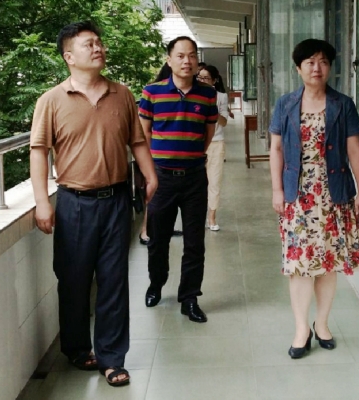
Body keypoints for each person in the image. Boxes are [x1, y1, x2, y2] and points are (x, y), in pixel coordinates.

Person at [30, 21, 157, 386]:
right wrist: (42, 203)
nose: (98, 48)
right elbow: (38, 152)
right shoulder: (51, 100)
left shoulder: (122, 94)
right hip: (74, 203)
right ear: (69, 56)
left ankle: (112, 358)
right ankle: (76, 348)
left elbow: (137, 141)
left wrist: (151, 176)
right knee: (73, 280)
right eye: (89, 44)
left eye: (99, 42)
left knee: (114, 281)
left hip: (116, 200)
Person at [268, 39, 359, 359]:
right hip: (298, 195)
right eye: (310, 62)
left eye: (324, 62)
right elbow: (276, 149)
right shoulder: (285, 104)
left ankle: (322, 323)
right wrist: (277, 190)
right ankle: (302, 329)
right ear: (298, 68)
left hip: (333, 194)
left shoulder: (343, 104)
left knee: (328, 264)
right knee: (299, 265)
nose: (317, 68)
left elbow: (354, 149)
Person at [138, 36, 218, 323]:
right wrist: (152, 170)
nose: (187, 61)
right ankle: (156, 284)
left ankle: (189, 297)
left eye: (192, 55)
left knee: (195, 242)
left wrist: (191, 155)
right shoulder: (152, 92)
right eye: (181, 56)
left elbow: (208, 133)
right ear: (169, 60)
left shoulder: (207, 94)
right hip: (161, 178)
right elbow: (144, 133)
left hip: (194, 178)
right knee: (158, 239)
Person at [139, 62, 183, 245]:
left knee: (163, 201)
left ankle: (162, 228)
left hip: (170, 161)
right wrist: (151, 158)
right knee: (153, 198)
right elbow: (145, 130)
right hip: (157, 161)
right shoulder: (154, 92)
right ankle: (145, 231)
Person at [197, 65, 229, 231]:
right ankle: (197, 215)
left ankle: (212, 217)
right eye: (200, 77)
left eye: (206, 78)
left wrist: (212, 108)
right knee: (196, 182)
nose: (202, 81)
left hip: (216, 143)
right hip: (196, 144)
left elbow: (224, 122)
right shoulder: (193, 95)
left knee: (214, 181)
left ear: (214, 81)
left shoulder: (221, 97)